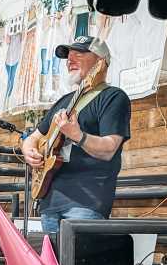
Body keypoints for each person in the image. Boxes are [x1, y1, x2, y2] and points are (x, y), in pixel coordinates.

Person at [22, 36, 131, 233]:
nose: (70, 60)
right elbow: (33, 138)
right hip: (50, 202)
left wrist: (77, 135)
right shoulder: (64, 101)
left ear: (101, 62)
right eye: (68, 56)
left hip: (87, 202)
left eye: (78, 55)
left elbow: (109, 149)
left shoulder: (113, 97)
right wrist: (29, 151)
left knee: (78, 262)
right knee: (52, 263)